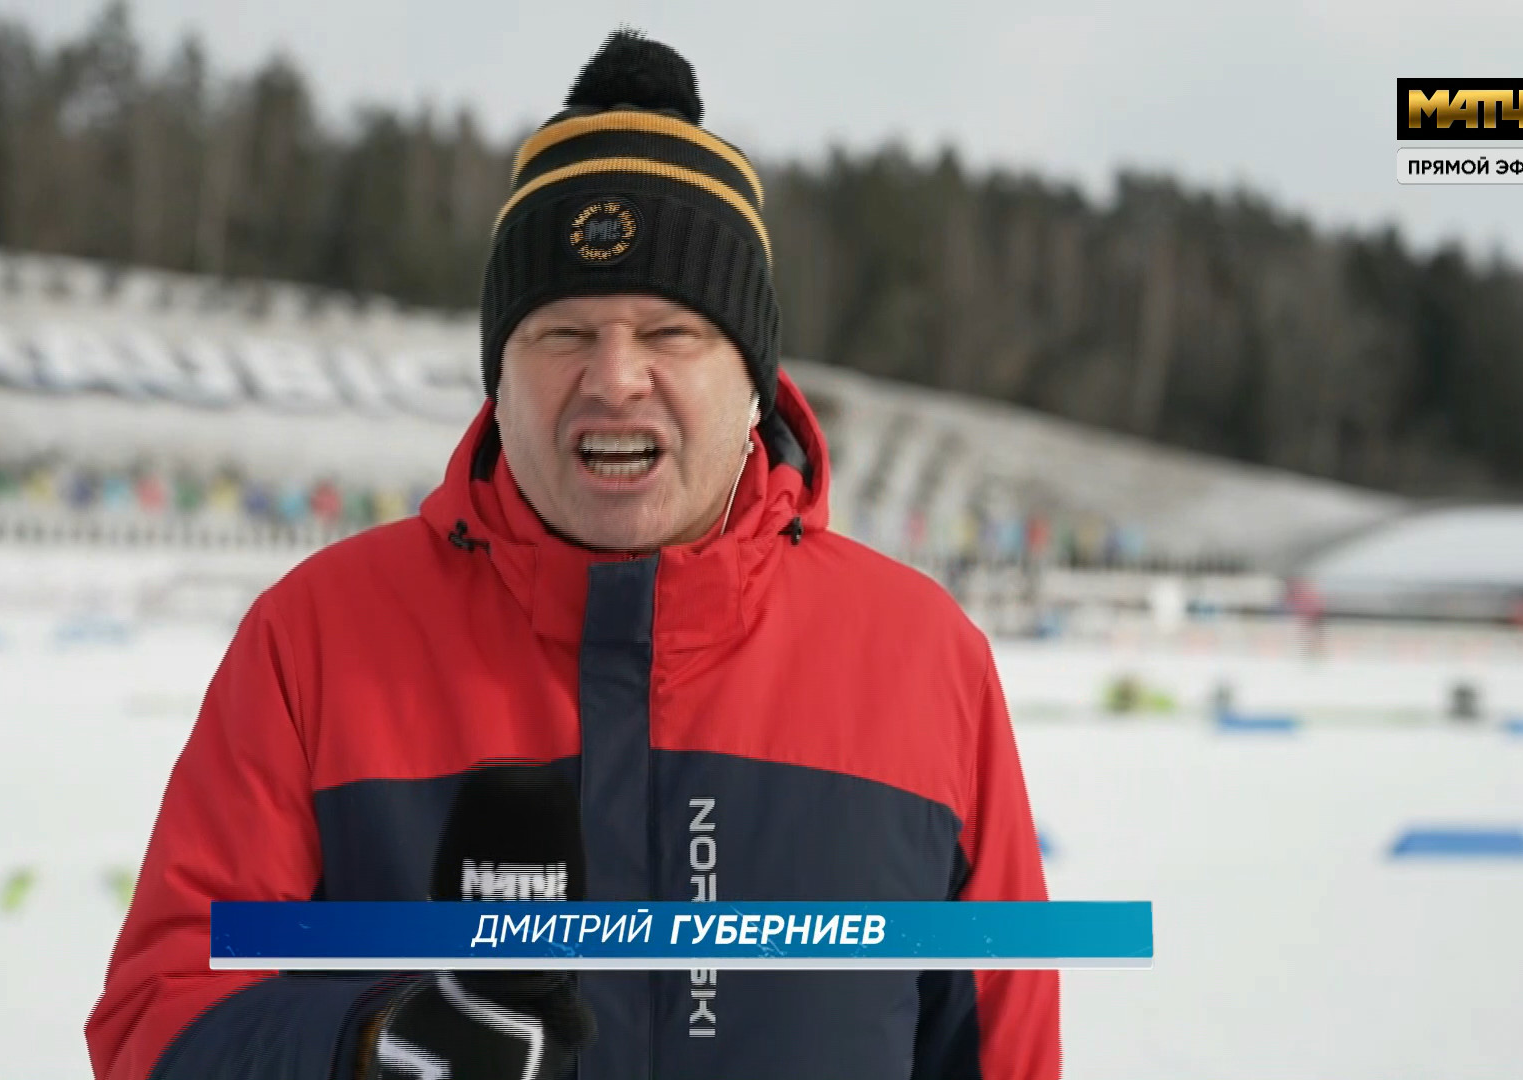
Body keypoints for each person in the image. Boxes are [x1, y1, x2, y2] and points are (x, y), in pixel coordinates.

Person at [87, 29, 1058, 1080]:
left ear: (755, 383)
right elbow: (158, 1021)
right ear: (498, 379)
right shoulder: (317, 640)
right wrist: (366, 1051)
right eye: (562, 334)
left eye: (670, 332)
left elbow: (1002, 1054)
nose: (615, 377)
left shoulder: (925, 663)